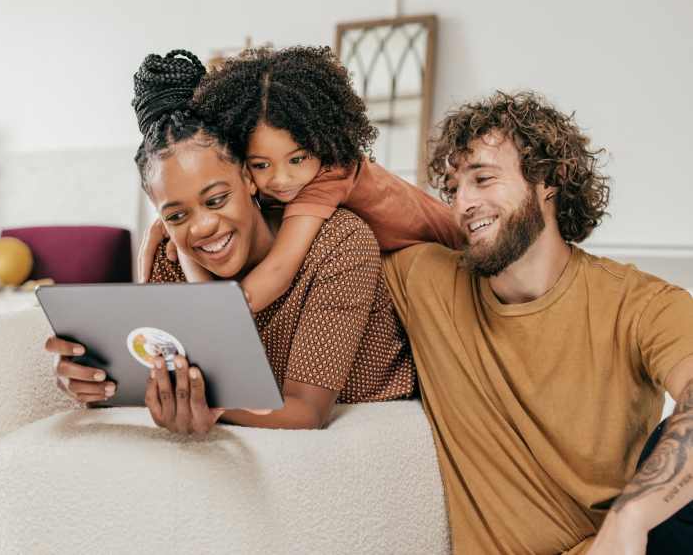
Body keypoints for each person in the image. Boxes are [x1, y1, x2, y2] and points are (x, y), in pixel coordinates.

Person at [46, 50, 455, 431]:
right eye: (176, 214)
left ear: (246, 178)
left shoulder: (338, 240)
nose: (202, 226)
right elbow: (157, 375)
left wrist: (209, 406)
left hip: (376, 430)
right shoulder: (169, 255)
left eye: (216, 199)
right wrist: (101, 385)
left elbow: (305, 410)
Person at [381, 90, 693, 554]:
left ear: (549, 179)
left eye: (483, 179)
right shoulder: (426, 281)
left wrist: (630, 521)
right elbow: (340, 183)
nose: (463, 203)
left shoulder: (639, 304)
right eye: (452, 189)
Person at [140, 46, 462, 312]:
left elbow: (279, 271)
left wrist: (210, 317)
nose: (281, 180)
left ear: (322, 141)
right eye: (260, 165)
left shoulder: (330, 175)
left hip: (457, 250)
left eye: (297, 159)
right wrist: (169, 226)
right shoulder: (290, 181)